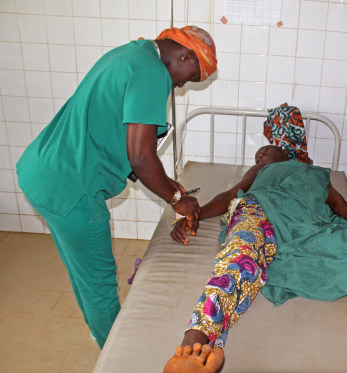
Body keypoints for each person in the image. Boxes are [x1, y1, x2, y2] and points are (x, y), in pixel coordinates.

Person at [15, 26, 217, 349]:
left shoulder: (132, 54)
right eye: (191, 77)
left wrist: (167, 185)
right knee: (100, 286)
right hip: (73, 191)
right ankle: (117, 356)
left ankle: (99, 334)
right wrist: (177, 198)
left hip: (42, 171)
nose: (181, 86)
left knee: (83, 276)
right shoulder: (153, 75)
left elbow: (119, 134)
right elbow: (140, 157)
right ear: (186, 55)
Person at [163, 145, 347, 373]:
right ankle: (194, 347)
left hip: (311, 230)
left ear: (290, 154)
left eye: (266, 152)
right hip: (261, 216)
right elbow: (228, 196)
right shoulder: (262, 171)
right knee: (238, 257)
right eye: (259, 156)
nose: (261, 156)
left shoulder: (314, 173)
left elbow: (342, 206)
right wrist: (194, 216)